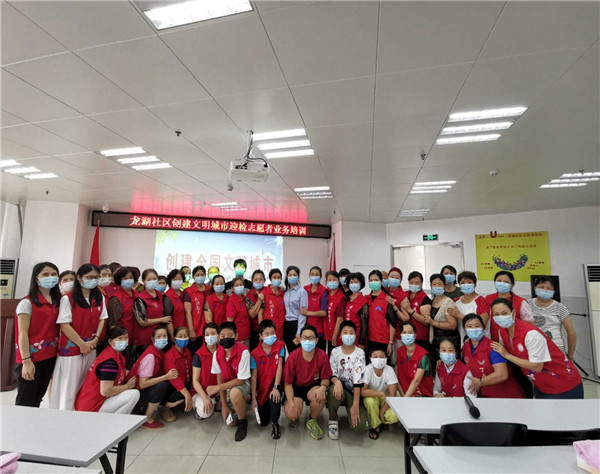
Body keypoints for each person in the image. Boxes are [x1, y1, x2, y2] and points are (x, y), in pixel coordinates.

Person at [490, 298, 583, 399]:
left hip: (564, 384)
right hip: (541, 386)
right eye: (496, 314)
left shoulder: (531, 334)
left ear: (513, 313)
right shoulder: (502, 332)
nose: (500, 317)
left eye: (504, 313)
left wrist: (507, 355)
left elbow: (536, 366)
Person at [50, 263, 107, 410]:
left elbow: (102, 319)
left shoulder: (99, 297)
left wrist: (96, 339)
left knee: (84, 386)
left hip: (91, 348)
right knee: (68, 389)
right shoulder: (68, 299)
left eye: (96, 277)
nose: (93, 280)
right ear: (79, 278)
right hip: (72, 351)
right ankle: (64, 416)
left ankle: (80, 414)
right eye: (89, 277)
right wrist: (81, 344)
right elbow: (64, 325)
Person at [14, 262, 61, 407]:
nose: (50, 277)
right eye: (45, 274)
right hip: (31, 358)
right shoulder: (26, 303)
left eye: (54, 274)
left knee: (37, 398)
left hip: (49, 356)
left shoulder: (57, 302)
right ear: (36, 279)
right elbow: (22, 334)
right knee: (25, 400)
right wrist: (26, 361)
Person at [75, 326, 139, 413]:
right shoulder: (109, 362)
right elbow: (105, 391)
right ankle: (116, 421)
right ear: (110, 341)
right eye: (120, 338)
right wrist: (127, 386)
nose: (123, 341)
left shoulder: (114, 355)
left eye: (126, 338)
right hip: (92, 408)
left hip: (94, 403)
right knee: (134, 395)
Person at [283, 325, 332, 440]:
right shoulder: (292, 357)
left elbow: (326, 378)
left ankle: (312, 419)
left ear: (316, 340)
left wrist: (322, 388)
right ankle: (294, 414)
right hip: (296, 388)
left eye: (311, 338)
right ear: (300, 339)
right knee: (291, 412)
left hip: (313, 387)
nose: (308, 341)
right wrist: (291, 404)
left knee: (320, 397)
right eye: (304, 338)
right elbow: (288, 384)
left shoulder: (322, 356)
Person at [126, 325, 179, 429]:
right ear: (153, 339)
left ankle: (145, 408)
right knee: (162, 386)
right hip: (135, 394)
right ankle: (147, 419)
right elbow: (143, 384)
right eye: (159, 336)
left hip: (140, 391)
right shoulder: (150, 355)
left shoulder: (159, 351)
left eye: (164, 336)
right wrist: (166, 377)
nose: (162, 339)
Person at [461, 314, 524, 398]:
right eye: (469, 326)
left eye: (477, 326)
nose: (474, 329)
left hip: (506, 395)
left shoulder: (493, 347)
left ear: (483, 327)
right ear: (464, 329)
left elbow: (502, 375)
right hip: (484, 395)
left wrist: (480, 382)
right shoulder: (465, 348)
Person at [208, 322, 252, 442]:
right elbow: (220, 378)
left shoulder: (243, 351)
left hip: (242, 383)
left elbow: (241, 380)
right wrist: (224, 405)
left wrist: (217, 388)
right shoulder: (217, 354)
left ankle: (243, 421)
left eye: (230, 335)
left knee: (235, 393)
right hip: (226, 386)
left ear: (236, 336)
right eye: (223, 336)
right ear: (218, 337)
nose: (226, 338)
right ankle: (244, 399)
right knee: (230, 423)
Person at [327, 321, 367, 439]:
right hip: (339, 389)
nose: (348, 335)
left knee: (359, 428)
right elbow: (332, 373)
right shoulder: (335, 352)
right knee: (333, 390)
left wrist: (355, 405)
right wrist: (337, 382)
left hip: (355, 392)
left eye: (351, 333)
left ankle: (357, 410)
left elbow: (358, 381)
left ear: (355, 335)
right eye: (345, 332)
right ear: (340, 335)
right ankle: (333, 420)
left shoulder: (360, 353)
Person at [251, 320, 285, 439]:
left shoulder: (280, 346)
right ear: (260, 336)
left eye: (272, 333)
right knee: (263, 422)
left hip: (276, 384)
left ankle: (275, 423)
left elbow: (280, 366)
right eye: (267, 334)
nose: (270, 336)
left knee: (275, 397)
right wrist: (254, 398)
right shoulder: (254, 354)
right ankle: (268, 408)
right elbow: (254, 377)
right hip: (262, 389)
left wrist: (276, 387)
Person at [529, 276, 577, 359]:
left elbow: (571, 333)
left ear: (554, 291)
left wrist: (570, 356)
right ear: (535, 288)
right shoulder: (526, 304)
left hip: (556, 350)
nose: (545, 290)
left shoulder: (560, 307)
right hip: (532, 348)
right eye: (541, 287)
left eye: (549, 288)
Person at [361, 349, 399, 440]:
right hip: (372, 396)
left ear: (386, 358)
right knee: (370, 401)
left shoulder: (389, 370)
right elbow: (362, 391)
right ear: (370, 359)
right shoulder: (367, 369)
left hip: (387, 398)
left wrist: (382, 411)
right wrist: (380, 393)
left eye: (382, 357)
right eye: (375, 357)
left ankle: (378, 418)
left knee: (394, 417)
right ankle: (376, 425)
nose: (378, 359)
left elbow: (392, 395)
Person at [133, 269, 171, 358]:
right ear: (143, 281)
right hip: (144, 339)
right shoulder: (140, 299)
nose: (152, 281)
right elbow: (142, 321)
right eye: (149, 279)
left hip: (159, 338)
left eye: (154, 279)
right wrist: (161, 320)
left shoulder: (161, 296)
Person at [448, 271, 490, 345]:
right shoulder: (456, 301)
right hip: (462, 340)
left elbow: (482, 324)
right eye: (463, 283)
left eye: (469, 282)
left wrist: (460, 315)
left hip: (480, 341)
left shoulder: (482, 301)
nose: (466, 285)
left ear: (475, 284)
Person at [107, 266, 137, 368]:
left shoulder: (137, 294)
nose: (128, 280)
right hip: (122, 339)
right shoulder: (116, 298)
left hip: (135, 337)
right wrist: (118, 341)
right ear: (119, 280)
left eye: (130, 277)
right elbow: (113, 324)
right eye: (125, 278)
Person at [428, 273, 459, 370]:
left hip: (448, 341)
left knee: (448, 369)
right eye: (434, 284)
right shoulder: (432, 301)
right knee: (438, 370)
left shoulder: (448, 302)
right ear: (431, 286)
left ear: (444, 285)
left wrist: (433, 323)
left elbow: (452, 325)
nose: (437, 286)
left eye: (439, 284)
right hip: (435, 341)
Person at [162, 326, 193, 421]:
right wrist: (186, 394)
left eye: (185, 336)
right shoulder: (169, 355)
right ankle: (165, 408)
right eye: (180, 336)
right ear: (174, 339)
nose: (183, 338)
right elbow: (174, 378)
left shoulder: (187, 351)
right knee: (179, 396)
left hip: (186, 382)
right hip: (174, 387)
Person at [396, 321, 433, 397]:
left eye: (410, 332)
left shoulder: (423, 355)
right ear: (401, 335)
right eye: (404, 332)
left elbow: (416, 381)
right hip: (404, 394)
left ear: (415, 335)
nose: (407, 335)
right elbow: (396, 377)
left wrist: (405, 399)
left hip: (421, 395)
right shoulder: (399, 351)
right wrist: (402, 395)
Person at [192, 323, 219, 420]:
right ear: (204, 337)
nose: (210, 336)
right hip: (201, 391)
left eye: (213, 333)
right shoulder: (198, 355)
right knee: (204, 413)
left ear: (218, 335)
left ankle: (215, 400)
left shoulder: (223, 351)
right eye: (207, 334)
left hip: (219, 389)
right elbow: (195, 381)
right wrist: (204, 397)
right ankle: (198, 403)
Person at [366, 270, 397, 357]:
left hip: (383, 341)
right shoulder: (366, 298)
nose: (373, 282)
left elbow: (392, 323)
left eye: (376, 280)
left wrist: (390, 342)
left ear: (381, 282)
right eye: (371, 280)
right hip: (369, 340)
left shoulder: (387, 299)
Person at [283, 265, 308, 353]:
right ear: (287, 277)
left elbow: (303, 313)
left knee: (297, 352)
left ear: (298, 276)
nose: (292, 277)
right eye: (290, 275)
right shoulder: (285, 292)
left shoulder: (302, 292)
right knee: (289, 350)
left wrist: (299, 331)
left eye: (295, 275)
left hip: (296, 324)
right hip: (286, 325)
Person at [184, 265, 209, 351]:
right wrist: (191, 330)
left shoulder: (210, 290)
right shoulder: (188, 291)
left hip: (208, 327)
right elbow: (188, 312)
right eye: (197, 275)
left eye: (202, 275)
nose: (200, 277)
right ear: (193, 277)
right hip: (195, 328)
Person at [303, 266, 329, 351]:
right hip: (306, 329)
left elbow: (324, 312)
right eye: (312, 274)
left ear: (320, 276)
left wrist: (307, 313)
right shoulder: (305, 289)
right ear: (309, 275)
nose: (314, 276)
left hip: (319, 330)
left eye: (317, 274)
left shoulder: (324, 291)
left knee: (319, 354)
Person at [406, 271, 433, 353]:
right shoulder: (406, 295)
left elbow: (426, 321)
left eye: (417, 282)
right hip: (407, 336)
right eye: (412, 282)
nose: (414, 284)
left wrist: (411, 311)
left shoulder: (424, 299)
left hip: (420, 338)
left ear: (421, 283)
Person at [342, 272, 369, 348]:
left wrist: (361, 342)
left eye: (356, 282)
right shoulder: (348, 298)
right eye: (351, 282)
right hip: (346, 335)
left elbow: (364, 324)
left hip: (356, 336)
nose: (353, 284)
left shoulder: (363, 301)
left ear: (361, 284)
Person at [324, 270, 346, 354]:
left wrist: (334, 336)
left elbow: (340, 319)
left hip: (335, 335)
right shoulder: (327, 294)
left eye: (334, 279)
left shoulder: (341, 297)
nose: (332, 282)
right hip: (327, 334)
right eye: (329, 280)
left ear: (338, 281)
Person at [261, 268, 285, 341]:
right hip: (267, 331)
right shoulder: (264, 292)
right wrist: (261, 330)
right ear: (270, 279)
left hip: (280, 331)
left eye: (278, 277)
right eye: (274, 277)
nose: (276, 279)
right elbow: (260, 313)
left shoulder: (282, 293)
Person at [226, 277, 252, 348]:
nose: (239, 287)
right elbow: (229, 321)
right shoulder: (231, 301)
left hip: (246, 335)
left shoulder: (245, 298)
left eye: (241, 285)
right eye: (237, 285)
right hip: (238, 338)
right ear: (232, 288)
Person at [247, 269, 266, 350]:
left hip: (268, 328)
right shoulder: (249, 295)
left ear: (264, 280)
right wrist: (259, 300)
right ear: (252, 281)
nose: (258, 281)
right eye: (256, 279)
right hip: (254, 330)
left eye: (261, 279)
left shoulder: (267, 291)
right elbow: (252, 314)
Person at [163, 269, 186, 336]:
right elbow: (168, 320)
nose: (177, 281)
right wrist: (173, 336)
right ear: (170, 280)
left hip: (184, 332)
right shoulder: (168, 296)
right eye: (175, 279)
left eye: (180, 279)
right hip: (174, 333)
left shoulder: (184, 294)